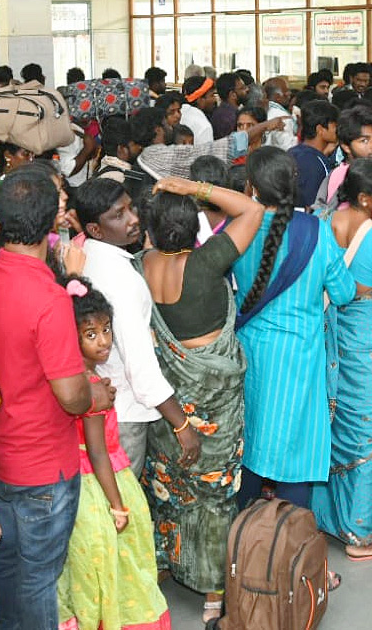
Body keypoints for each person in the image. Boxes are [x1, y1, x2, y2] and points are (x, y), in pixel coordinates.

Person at [0, 170, 113, 630]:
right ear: (51, 221)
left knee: (4, 572)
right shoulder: (49, 298)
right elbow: (72, 397)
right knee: (36, 580)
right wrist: (96, 394)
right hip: (42, 468)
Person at [137, 175, 263, 624]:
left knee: (169, 485)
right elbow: (251, 210)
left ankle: (166, 564)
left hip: (169, 406)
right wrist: (194, 188)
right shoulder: (208, 263)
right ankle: (212, 594)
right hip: (216, 406)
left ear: (150, 229)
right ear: (194, 226)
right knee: (215, 494)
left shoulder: (140, 267)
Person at [231, 147, 355, 508]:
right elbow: (344, 292)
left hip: (249, 350)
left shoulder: (238, 229)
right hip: (299, 356)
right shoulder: (316, 231)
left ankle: (241, 542)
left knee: (250, 441)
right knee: (296, 452)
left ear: (251, 187)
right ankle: (293, 546)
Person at [55, 277, 171, 630]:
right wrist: (118, 505)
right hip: (101, 484)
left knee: (88, 568)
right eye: (90, 334)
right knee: (118, 561)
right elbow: (98, 452)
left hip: (81, 479)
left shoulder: (79, 379)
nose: (104, 341)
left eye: (106, 330)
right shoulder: (91, 389)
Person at [311, 158, 372, 559]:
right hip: (367, 341)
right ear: (365, 197)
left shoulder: (322, 225)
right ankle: (362, 534)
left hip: (329, 336)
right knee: (368, 435)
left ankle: (328, 518)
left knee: (334, 429)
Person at [74, 178, 201, 476]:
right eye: (118, 215)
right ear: (95, 229)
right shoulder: (121, 278)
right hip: (125, 413)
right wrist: (181, 424)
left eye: (131, 208)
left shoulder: (88, 258)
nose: (133, 220)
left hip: (107, 402)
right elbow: (139, 363)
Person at [289, 100, 340, 208]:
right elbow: (313, 204)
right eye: (335, 126)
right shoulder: (315, 163)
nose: (339, 130)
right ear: (320, 129)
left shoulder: (293, 152)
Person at [179, 76, 217, 146]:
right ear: (200, 100)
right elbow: (206, 156)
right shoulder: (204, 126)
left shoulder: (179, 113)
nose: (215, 99)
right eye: (212, 95)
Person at [210, 71, 245, 139]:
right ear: (232, 95)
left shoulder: (224, 112)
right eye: (242, 88)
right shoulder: (228, 118)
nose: (247, 90)